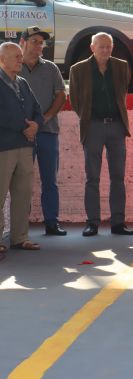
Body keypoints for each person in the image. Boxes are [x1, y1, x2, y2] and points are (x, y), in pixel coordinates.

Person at [69, 32, 133, 237]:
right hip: (93, 126)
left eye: (108, 46)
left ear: (112, 48)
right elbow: (76, 101)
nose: (105, 50)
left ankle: (118, 222)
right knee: (92, 177)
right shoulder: (78, 69)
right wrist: (89, 119)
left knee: (118, 176)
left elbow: (124, 90)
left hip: (116, 127)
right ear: (92, 47)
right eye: (101, 46)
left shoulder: (122, 66)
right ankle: (92, 222)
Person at [19, 26, 67, 236]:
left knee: (50, 180)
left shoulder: (51, 68)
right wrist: (26, 125)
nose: (39, 46)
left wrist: (43, 120)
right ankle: (20, 225)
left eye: (42, 42)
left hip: (47, 131)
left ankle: (51, 222)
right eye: (35, 41)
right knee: (21, 181)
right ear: (23, 42)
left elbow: (61, 96)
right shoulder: (11, 67)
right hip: (19, 134)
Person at [0, 42, 44, 251]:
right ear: (2, 59)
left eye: (20, 56)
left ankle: (20, 237)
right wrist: (24, 127)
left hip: (25, 146)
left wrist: (36, 125)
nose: (21, 59)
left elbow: (37, 109)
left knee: (23, 194)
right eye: (15, 56)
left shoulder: (23, 83)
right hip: (4, 148)